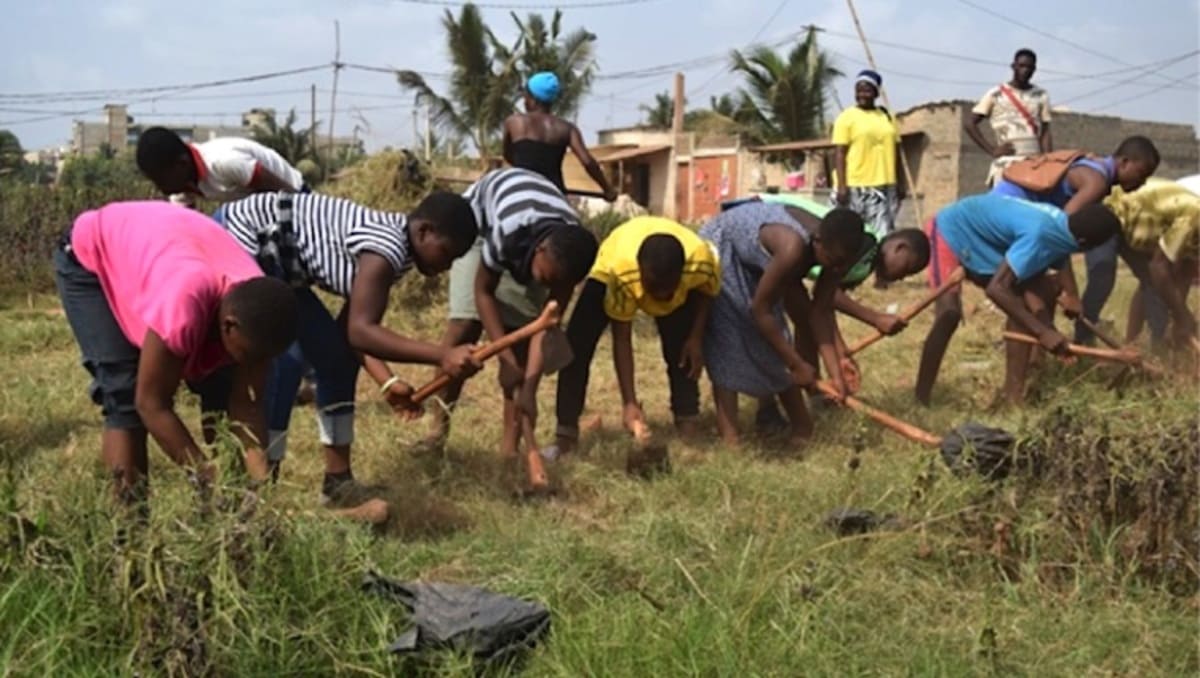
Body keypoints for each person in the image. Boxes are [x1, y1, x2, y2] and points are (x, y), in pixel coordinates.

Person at [214, 190, 482, 504]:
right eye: (447, 253)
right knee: (280, 365)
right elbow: (362, 331)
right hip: (245, 238)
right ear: (424, 232)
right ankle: (259, 489)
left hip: (284, 271)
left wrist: (388, 382)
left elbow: (349, 331)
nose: (448, 265)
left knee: (336, 360)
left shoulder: (400, 253)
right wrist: (442, 354)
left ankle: (338, 483)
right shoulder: (387, 248)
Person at [54, 201, 298, 506]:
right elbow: (151, 403)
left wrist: (259, 490)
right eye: (248, 356)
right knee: (125, 394)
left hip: (168, 247)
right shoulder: (185, 304)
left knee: (221, 392)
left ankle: (233, 522)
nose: (251, 366)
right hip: (93, 256)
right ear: (228, 326)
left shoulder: (260, 314)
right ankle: (128, 534)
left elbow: (246, 406)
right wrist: (202, 472)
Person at [420, 168, 598, 486]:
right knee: (465, 325)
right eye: (545, 278)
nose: (546, 285)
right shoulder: (510, 230)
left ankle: (509, 454)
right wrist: (503, 360)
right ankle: (437, 432)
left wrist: (528, 389)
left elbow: (543, 326)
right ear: (540, 251)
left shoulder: (569, 258)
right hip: (476, 227)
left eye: (555, 283)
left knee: (519, 341)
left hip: (535, 237)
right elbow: (483, 291)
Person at [733, 195, 930, 433]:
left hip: (792, 258)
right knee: (772, 325)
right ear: (900, 248)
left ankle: (812, 394)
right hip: (765, 223)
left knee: (804, 322)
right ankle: (774, 406)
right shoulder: (863, 247)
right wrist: (875, 318)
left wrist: (840, 357)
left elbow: (823, 307)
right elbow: (830, 298)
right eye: (906, 268)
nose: (901, 277)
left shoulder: (859, 252)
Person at [915, 194, 1121, 405]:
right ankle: (921, 399)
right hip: (950, 230)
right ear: (1084, 244)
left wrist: (1051, 329)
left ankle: (1013, 394)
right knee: (949, 314)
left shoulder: (1061, 227)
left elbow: (1036, 289)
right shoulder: (1042, 235)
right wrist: (1043, 332)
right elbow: (996, 289)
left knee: (1030, 304)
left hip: (985, 240)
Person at [552, 216, 721, 457]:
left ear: (682, 276)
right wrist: (629, 402)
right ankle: (565, 433)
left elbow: (707, 292)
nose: (660, 297)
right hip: (613, 263)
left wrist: (695, 338)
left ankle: (687, 419)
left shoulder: (701, 262)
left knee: (680, 347)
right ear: (642, 274)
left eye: (668, 289)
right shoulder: (622, 273)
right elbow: (622, 338)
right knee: (577, 345)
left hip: (675, 264)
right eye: (653, 288)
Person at [700, 202, 865, 447]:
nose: (838, 269)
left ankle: (802, 428)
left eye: (844, 265)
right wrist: (797, 363)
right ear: (818, 242)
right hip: (724, 249)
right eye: (834, 261)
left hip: (761, 262)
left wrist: (836, 376)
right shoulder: (792, 248)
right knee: (729, 342)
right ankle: (731, 439)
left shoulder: (838, 253)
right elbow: (760, 310)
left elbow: (818, 315)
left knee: (777, 344)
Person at [990, 136, 1160, 344]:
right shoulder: (1096, 182)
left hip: (1009, 209)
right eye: (1140, 174)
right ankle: (1029, 348)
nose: (1141, 183)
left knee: (1038, 287)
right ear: (1124, 162)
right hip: (1010, 211)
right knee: (1034, 289)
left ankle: (1037, 354)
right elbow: (1060, 233)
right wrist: (1071, 292)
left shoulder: (1096, 167)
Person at [1102, 177, 1200, 347]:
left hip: (1161, 219)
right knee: (1153, 280)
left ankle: (1158, 342)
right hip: (1124, 211)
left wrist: (1179, 315)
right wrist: (1181, 315)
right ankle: (1133, 345)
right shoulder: (1193, 217)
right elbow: (1158, 267)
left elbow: (1186, 271)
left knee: (1161, 283)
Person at [502, 71, 617, 201]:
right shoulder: (568, 129)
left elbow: (508, 155)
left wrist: (525, 167)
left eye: (526, 96)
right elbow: (588, 162)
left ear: (533, 99)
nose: (524, 100)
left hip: (521, 191)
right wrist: (607, 189)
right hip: (554, 193)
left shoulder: (514, 122)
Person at [135, 126, 305, 206]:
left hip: (293, 193)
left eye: (162, 180)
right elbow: (186, 225)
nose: (161, 189)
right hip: (256, 206)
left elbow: (283, 193)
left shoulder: (223, 162)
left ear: (182, 164)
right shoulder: (182, 186)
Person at [831, 69, 905, 251]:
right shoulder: (846, 117)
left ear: (877, 93)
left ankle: (881, 276)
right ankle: (845, 274)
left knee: (883, 235)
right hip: (855, 184)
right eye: (859, 89)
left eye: (867, 90)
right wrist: (842, 185)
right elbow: (839, 152)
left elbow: (896, 152)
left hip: (884, 185)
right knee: (846, 234)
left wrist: (900, 182)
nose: (862, 94)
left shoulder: (887, 118)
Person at [966, 48, 1053, 187]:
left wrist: (1048, 161)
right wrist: (992, 150)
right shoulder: (996, 94)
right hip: (1006, 164)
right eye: (1022, 66)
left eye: (1029, 67)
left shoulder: (1041, 95)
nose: (1025, 70)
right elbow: (970, 123)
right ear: (1014, 66)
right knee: (1003, 205)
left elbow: (1046, 131)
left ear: (1034, 70)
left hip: (1034, 163)